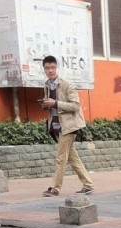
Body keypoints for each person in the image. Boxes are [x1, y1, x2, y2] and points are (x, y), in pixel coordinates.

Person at [40, 55, 94, 197]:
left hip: (68, 127)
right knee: (72, 158)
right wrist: (46, 105)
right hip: (57, 127)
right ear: (44, 69)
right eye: (47, 68)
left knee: (60, 158)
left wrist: (55, 103)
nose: (50, 70)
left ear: (57, 68)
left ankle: (55, 188)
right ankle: (88, 184)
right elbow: (52, 106)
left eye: (52, 67)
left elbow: (75, 106)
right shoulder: (46, 84)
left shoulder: (67, 85)